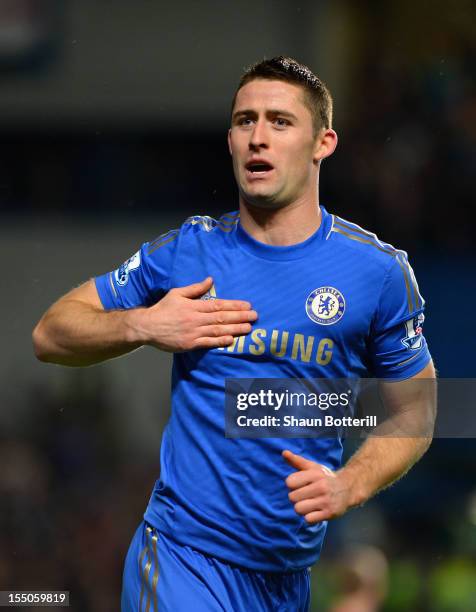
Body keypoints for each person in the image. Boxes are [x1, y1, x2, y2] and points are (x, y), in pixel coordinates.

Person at [33, 56, 436, 611]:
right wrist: (144, 323)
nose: (258, 138)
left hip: (285, 580)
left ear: (324, 143)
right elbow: (50, 333)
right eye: (245, 121)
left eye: (280, 121)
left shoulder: (377, 274)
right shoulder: (187, 251)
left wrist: (351, 483)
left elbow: (416, 410)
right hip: (182, 559)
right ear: (229, 140)